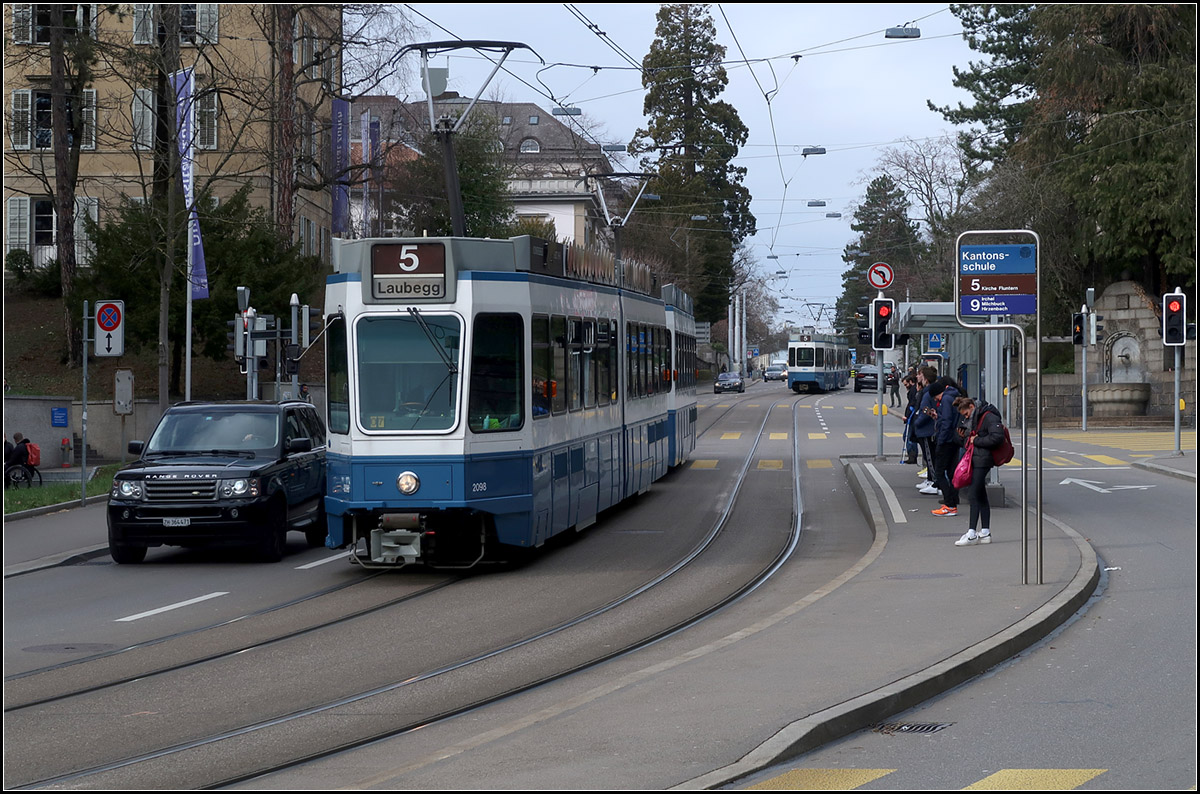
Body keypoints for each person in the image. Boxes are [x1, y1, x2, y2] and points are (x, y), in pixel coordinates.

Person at [952, 395, 1006, 546]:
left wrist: (977, 440)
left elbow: (997, 438)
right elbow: (967, 441)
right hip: (977, 458)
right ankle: (985, 532)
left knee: (973, 494)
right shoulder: (974, 418)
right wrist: (963, 437)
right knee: (980, 494)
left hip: (984, 459)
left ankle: (971, 533)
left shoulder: (988, 417)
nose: (966, 417)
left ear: (971, 407)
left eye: (966, 414)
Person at [929, 376, 964, 517]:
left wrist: (940, 440)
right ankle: (953, 499)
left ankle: (950, 504)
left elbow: (947, 422)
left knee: (939, 473)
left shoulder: (946, 400)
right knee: (951, 472)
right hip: (953, 440)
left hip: (947, 441)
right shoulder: (952, 396)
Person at [910, 368, 937, 489]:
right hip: (927, 428)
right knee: (929, 456)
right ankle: (931, 480)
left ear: (925, 377)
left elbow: (925, 411)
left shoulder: (928, 392)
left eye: (920, 374)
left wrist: (917, 423)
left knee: (930, 456)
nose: (917, 377)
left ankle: (934, 481)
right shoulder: (927, 391)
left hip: (926, 429)